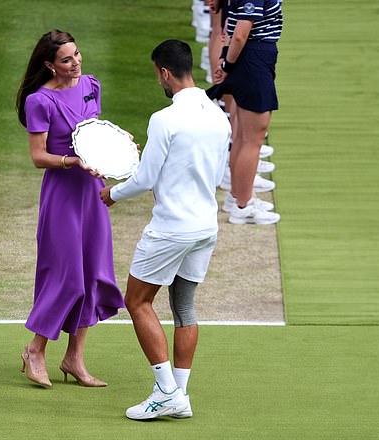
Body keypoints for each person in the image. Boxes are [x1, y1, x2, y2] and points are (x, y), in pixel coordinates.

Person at [100, 40, 231, 420]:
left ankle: (165, 390)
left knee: (137, 301)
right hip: (206, 226)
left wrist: (112, 193)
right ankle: (179, 396)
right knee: (184, 306)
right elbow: (212, 172)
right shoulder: (219, 116)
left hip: (172, 228)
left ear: (165, 73)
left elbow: (144, 179)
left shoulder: (165, 119)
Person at [15, 29, 124, 388]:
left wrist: (117, 152)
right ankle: (35, 350)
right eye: (66, 59)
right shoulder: (39, 101)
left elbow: (96, 135)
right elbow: (37, 157)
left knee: (93, 273)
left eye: (77, 54)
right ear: (50, 64)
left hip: (92, 194)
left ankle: (74, 358)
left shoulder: (91, 84)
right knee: (66, 278)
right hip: (62, 196)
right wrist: (73, 161)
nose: (76, 62)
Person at [208, 0, 283, 224]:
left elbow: (230, 24)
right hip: (253, 61)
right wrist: (226, 65)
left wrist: (225, 58)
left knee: (241, 135)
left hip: (248, 59)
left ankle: (237, 197)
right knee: (252, 139)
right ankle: (244, 205)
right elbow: (239, 33)